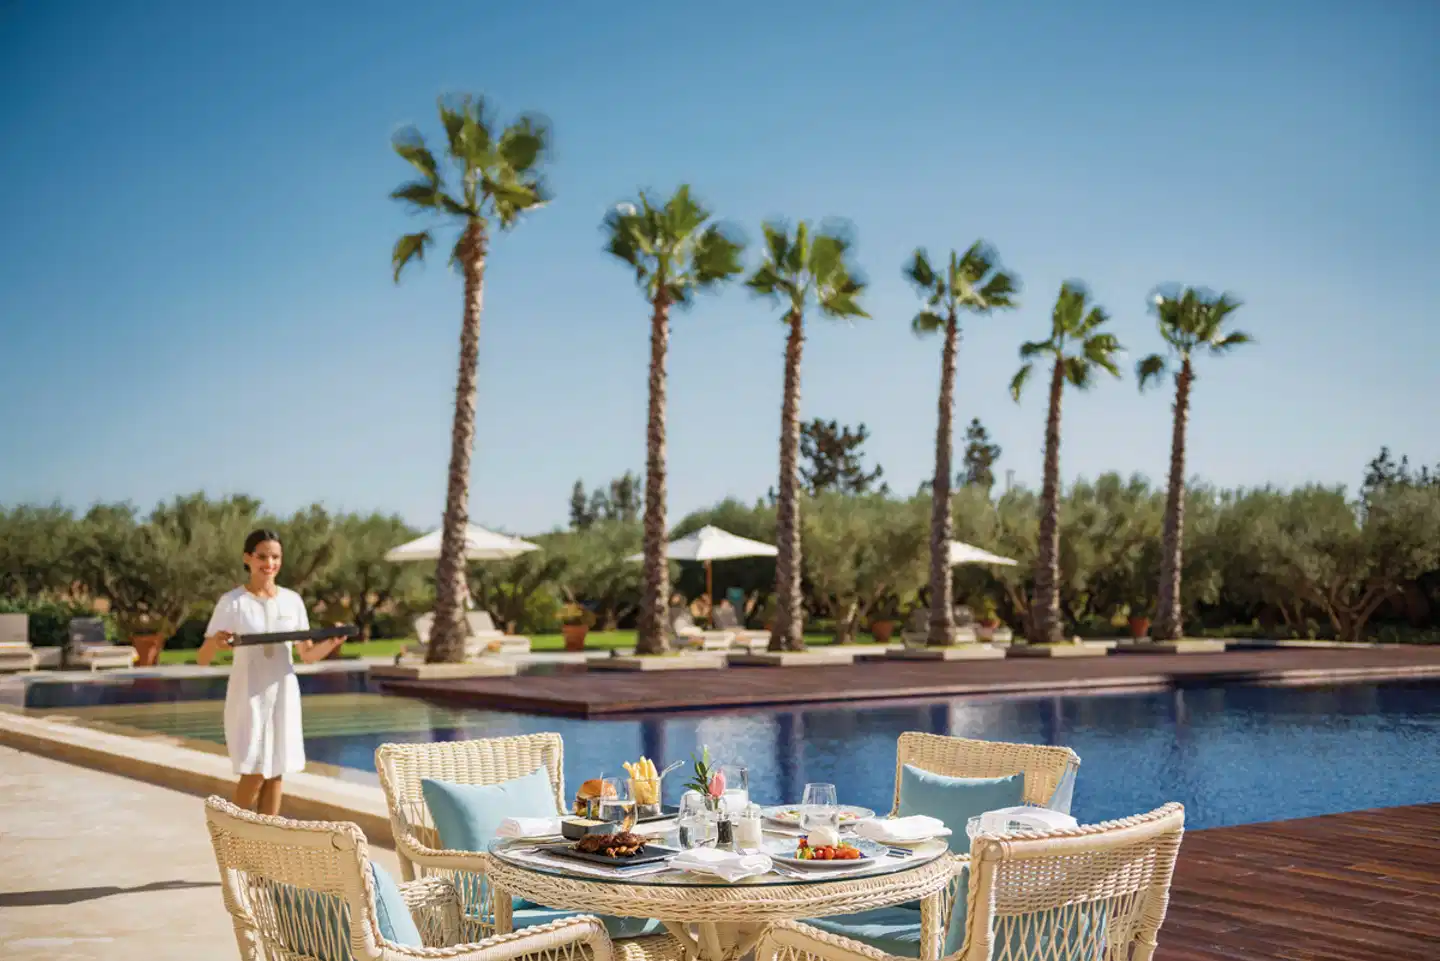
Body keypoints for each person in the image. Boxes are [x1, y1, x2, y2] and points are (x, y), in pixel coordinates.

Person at [197, 528, 345, 815]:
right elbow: (203, 658)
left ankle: (266, 847)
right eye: (262, 556)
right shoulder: (232, 602)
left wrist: (333, 641)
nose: (270, 563)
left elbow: (307, 655)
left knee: (277, 771)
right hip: (248, 694)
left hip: (283, 693)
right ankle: (230, 836)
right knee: (254, 770)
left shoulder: (292, 601)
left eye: (275, 557)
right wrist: (217, 643)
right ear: (248, 559)